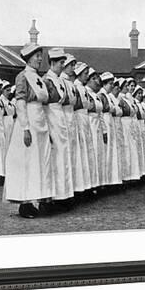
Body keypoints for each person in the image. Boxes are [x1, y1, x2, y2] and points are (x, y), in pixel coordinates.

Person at [3, 43, 53, 218]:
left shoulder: (39, 78)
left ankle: (39, 199)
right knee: (27, 161)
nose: (40, 59)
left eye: (41, 55)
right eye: (36, 55)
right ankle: (25, 204)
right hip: (29, 122)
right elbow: (20, 103)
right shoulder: (22, 76)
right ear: (28, 58)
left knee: (40, 161)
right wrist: (25, 127)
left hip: (41, 121)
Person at [43, 48, 74, 209]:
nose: (63, 66)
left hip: (61, 121)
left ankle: (64, 195)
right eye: (61, 63)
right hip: (51, 120)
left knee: (63, 157)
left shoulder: (61, 81)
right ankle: (51, 198)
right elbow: (43, 106)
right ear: (53, 63)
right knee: (54, 160)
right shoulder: (46, 80)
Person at [60, 54, 87, 193]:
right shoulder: (61, 81)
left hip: (72, 119)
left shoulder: (70, 84)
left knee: (73, 155)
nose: (73, 68)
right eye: (71, 65)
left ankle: (74, 189)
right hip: (64, 117)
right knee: (66, 155)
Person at [74, 62, 97, 190]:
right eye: (85, 74)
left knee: (87, 153)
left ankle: (88, 185)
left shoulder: (82, 88)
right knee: (81, 152)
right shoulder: (76, 87)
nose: (86, 77)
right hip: (79, 118)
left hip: (85, 119)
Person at [86, 68, 108, 187]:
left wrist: (104, 130)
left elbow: (100, 114)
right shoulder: (86, 92)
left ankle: (99, 182)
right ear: (88, 80)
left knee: (99, 153)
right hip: (90, 123)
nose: (97, 81)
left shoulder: (96, 95)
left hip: (98, 125)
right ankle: (92, 184)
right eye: (93, 79)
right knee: (92, 153)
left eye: (97, 78)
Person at [99, 72, 121, 186]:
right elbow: (102, 112)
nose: (112, 86)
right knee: (107, 152)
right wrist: (104, 130)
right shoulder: (101, 95)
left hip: (110, 121)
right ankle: (106, 180)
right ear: (105, 84)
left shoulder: (107, 96)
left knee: (112, 151)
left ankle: (112, 179)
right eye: (110, 84)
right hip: (106, 121)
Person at [120, 78, 141, 181]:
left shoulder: (129, 98)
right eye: (128, 86)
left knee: (132, 148)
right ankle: (126, 175)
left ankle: (133, 174)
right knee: (126, 148)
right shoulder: (121, 98)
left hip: (131, 123)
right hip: (124, 124)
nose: (129, 88)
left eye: (132, 86)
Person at [110, 78, 129, 182]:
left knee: (120, 149)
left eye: (118, 86)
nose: (117, 88)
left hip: (119, 124)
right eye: (115, 86)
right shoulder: (110, 97)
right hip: (113, 123)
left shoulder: (118, 99)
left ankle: (121, 177)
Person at [0, 80, 15, 151]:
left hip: (11, 123)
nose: (9, 92)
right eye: (7, 90)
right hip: (5, 123)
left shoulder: (9, 101)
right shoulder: (1, 101)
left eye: (10, 90)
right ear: (2, 90)